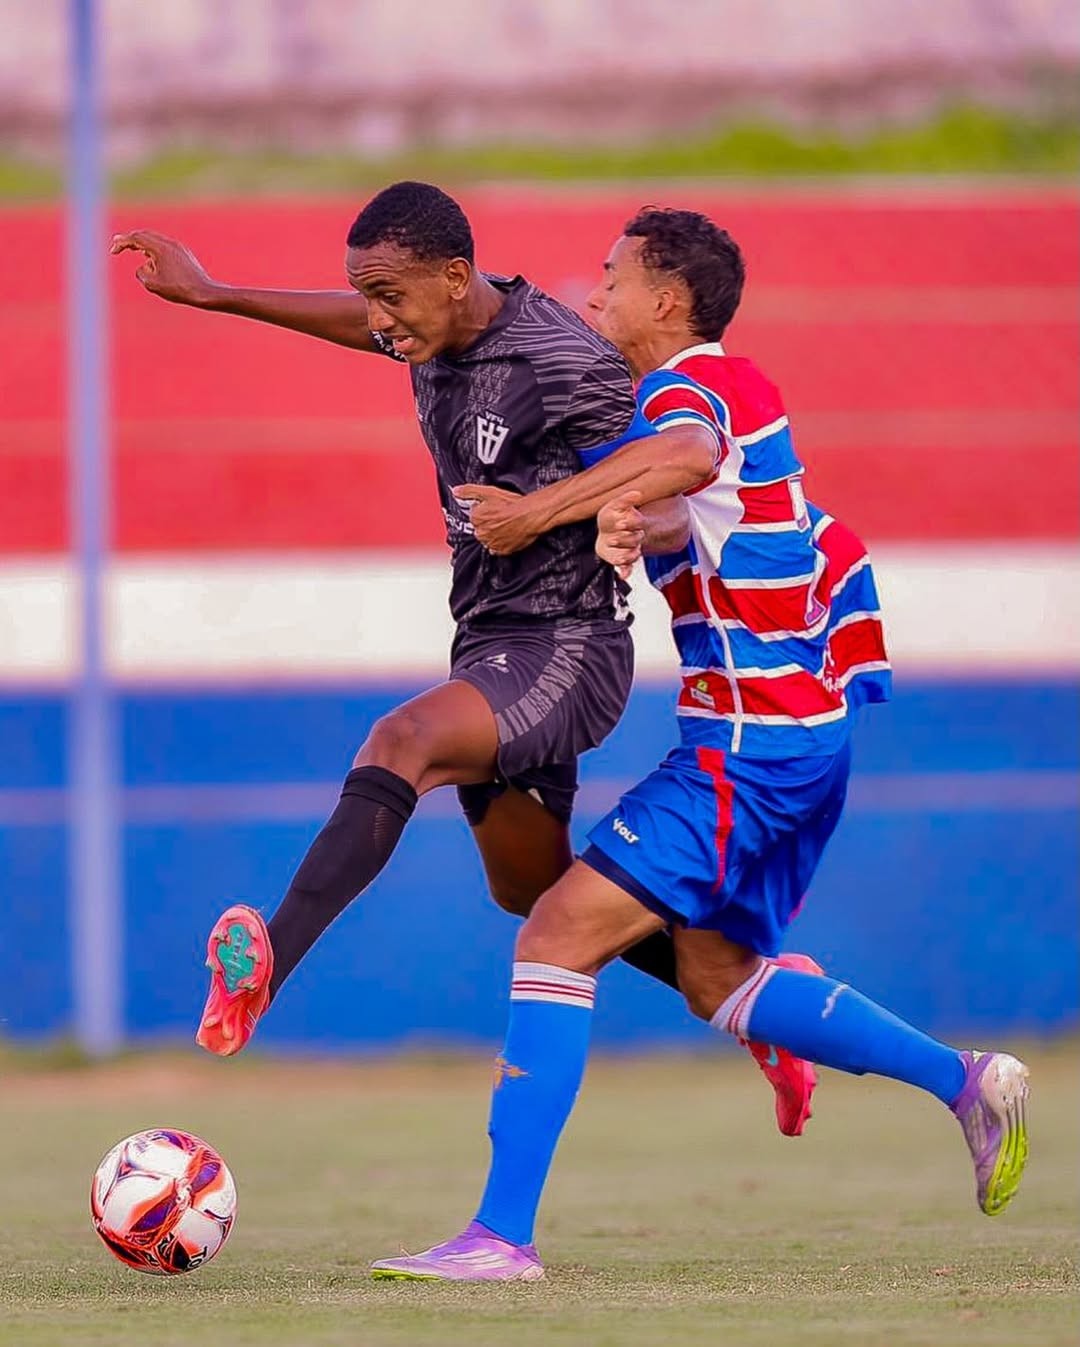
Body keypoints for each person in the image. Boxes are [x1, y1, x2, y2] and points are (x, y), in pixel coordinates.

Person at [369, 208, 1031, 1282]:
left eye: (611, 280)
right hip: (803, 740)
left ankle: (500, 1239)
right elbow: (695, 505)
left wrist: (540, 514)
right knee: (715, 971)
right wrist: (634, 520)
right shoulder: (738, 387)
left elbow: (685, 453)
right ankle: (968, 1082)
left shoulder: (686, 393)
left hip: (748, 746)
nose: (592, 299)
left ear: (668, 302)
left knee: (552, 937)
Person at [110, 182, 817, 1132]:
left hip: (570, 649)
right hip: (490, 641)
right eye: (369, 297)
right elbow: (359, 322)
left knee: (402, 739)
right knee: (531, 891)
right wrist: (217, 293)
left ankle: (265, 967)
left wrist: (582, 517)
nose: (378, 320)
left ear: (454, 277)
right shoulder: (426, 327)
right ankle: (757, 997)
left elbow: (676, 475)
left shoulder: (561, 359)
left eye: (391, 296)